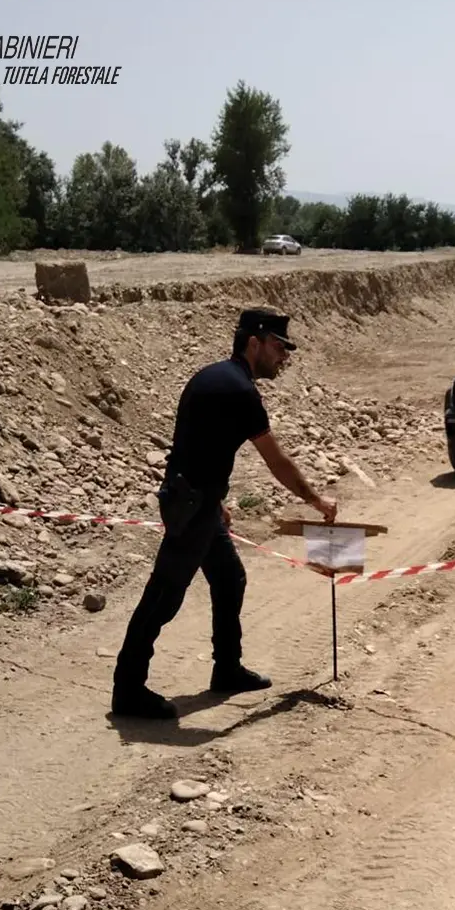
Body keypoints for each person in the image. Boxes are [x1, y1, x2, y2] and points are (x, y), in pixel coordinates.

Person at [111, 307, 337, 720]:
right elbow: (277, 462)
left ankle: (227, 669)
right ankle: (127, 691)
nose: (283, 357)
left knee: (230, 578)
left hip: (197, 500)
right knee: (163, 597)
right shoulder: (240, 391)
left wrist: (215, 500)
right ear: (254, 342)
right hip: (194, 505)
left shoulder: (213, 376)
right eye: (278, 347)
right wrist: (316, 500)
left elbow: (196, 446)